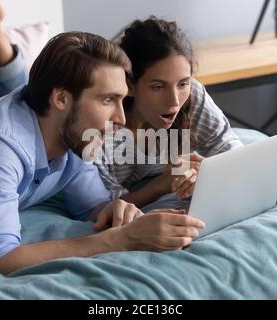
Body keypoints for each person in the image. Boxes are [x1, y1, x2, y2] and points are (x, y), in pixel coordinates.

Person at [0, 2, 205, 275]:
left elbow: (92, 208)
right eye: (108, 100)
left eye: (122, 100)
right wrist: (120, 240)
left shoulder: (76, 138)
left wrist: (119, 210)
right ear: (61, 98)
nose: (122, 119)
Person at [96, 17, 243, 210]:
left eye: (183, 83)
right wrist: (160, 186)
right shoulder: (103, 123)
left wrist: (210, 171)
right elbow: (100, 207)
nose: (174, 101)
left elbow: (226, 143)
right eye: (158, 87)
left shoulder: (191, 95)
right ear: (130, 85)